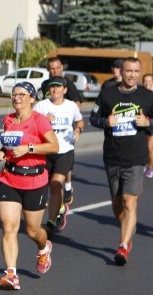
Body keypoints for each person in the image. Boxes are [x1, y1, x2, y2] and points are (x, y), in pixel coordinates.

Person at [0, 82, 59, 290]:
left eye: (22, 94)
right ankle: (11, 274)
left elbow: (54, 146)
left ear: (32, 98)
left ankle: (44, 247)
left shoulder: (39, 122)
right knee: (9, 226)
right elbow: (9, 145)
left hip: (34, 180)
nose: (17, 98)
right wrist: (3, 152)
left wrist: (30, 148)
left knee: (32, 231)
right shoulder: (8, 120)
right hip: (9, 178)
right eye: (14, 94)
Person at [89, 56, 153, 265]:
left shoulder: (148, 96)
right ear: (121, 72)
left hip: (136, 157)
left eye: (136, 71)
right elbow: (93, 118)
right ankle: (127, 229)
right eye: (129, 71)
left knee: (129, 200)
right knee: (117, 204)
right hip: (113, 156)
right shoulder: (108, 93)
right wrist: (105, 122)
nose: (132, 75)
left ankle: (123, 246)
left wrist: (147, 123)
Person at [34, 76, 84, 238]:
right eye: (52, 87)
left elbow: (80, 121)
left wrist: (78, 131)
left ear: (65, 90)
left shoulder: (71, 106)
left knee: (56, 184)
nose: (54, 90)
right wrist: (43, 121)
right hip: (46, 151)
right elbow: (30, 123)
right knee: (42, 186)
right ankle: (60, 208)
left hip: (65, 151)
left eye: (58, 87)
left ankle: (51, 222)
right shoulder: (42, 105)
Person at [40, 56, 83, 205]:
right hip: (49, 133)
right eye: (52, 68)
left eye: (57, 68)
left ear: (62, 68)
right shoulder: (45, 84)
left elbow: (77, 103)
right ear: (48, 70)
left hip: (65, 133)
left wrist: (68, 116)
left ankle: (68, 187)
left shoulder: (67, 84)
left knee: (65, 163)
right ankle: (46, 194)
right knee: (47, 169)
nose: (55, 70)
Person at [143, 73, 153, 178]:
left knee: (150, 149)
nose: (147, 83)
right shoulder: (141, 94)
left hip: (152, 125)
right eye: (145, 81)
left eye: (149, 81)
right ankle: (143, 165)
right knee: (143, 147)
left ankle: (150, 168)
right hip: (142, 124)